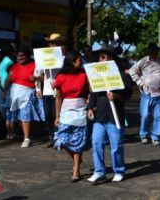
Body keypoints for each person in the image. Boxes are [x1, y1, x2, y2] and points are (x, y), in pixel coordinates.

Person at [87, 44, 132, 183]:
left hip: (115, 116)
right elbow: (93, 91)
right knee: (96, 143)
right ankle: (99, 171)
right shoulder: (96, 73)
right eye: (99, 57)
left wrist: (116, 96)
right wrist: (90, 107)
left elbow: (128, 93)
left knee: (116, 146)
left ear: (110, 58)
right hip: (100, 116)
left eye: (103, 56)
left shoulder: (120, 73)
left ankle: (119, 170)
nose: (100, 59)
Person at [53, 50, 89, 182]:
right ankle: (77, 159)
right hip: (66, 112)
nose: (81, 62)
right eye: (79, 59)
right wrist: (57, 116)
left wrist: (90, 101)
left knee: (77, 141)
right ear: (72, 61)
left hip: (80, 110)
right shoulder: (61, 76)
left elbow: (90, 91)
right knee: (62, 141)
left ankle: (76, 170)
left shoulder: (84, 75)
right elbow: (58, 98)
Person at [129, 43, 160, 145]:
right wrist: (140, 82)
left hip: (159, 93)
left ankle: (155, 136)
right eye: (151, 51)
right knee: (144, 115)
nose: (153, 53)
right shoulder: (144, 60)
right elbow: (132, 71)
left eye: (155, 51)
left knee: (158, 116)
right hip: (146, 93)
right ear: (148, 52)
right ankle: (144, 134)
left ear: (157, 52)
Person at [2, 48, 45, 148]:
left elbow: (40, 78)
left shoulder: (35, 66)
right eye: (18, 56)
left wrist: (38, 87)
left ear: (28, 56)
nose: (20, 58)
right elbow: (8, 80)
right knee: (16, 117)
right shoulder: (14, 67)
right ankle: (18, 135)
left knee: (25, 116)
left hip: (28, 93)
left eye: (22, 55)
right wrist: (4, 92)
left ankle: (26, 138)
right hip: (14, 94)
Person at [35, 33, 66, 147]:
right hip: (47, 90)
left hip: (60, 91)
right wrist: (38, 88)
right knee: (48, 115)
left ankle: (59, 136)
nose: (55, 45)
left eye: (58, 43)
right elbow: (37, 73)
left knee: (57, 114)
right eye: (53, 43)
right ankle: (51, 136)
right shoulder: (43, 57)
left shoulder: (64, 58)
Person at [0, 44, 16, 140]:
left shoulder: (3, 62)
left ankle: (8, 134)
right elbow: (10, 76)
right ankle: (12, 133)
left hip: (3, 87)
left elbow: (0, 76)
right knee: (11, 112)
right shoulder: (9, 62)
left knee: (8, 113)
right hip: (9, 87)